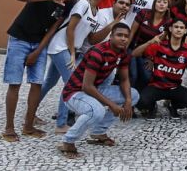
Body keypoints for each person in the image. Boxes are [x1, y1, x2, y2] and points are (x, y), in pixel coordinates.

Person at [1, 0, 75, 142]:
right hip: (19, 37)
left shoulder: (69, 3)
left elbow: (53, 28)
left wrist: (38, 51)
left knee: (36, 83)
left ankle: (28, 125)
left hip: (39, 42)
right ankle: (9, 128)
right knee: (14, 83)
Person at [57, 23, 138, 159]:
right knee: (97, 111)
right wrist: (112, 105)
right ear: (111, 36)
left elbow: (124, 79)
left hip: (96, 88)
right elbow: (86, 86)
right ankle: (68, 141)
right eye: (119, 35)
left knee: (134, 95)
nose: (123, 39)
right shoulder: (98, 52)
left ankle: (98, 132)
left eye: (126, 36)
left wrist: (128, 101)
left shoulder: (123, 53)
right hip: (74, 93)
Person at [40, 0, 108, 134]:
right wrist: (71, 53)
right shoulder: (83, 4)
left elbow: (88, 38)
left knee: (49, 82)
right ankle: (61, 123)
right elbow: (71, 29)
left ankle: (31, 113)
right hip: (61, 46)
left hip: (72, 49)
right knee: (71, 83)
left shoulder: (97, 13)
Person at [134, 19, 187, 118]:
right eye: (176, 27)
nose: (179, 30)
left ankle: (172, 106)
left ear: (185, 31)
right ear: (170, 29)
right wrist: (149, 42)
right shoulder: (159, 46)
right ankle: (152, 107)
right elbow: (135, 54)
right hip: (157, 86)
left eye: (181, 28)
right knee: (140, 101)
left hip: (174, 87)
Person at [128, 0, 171, 91]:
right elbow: (131, 33)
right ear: (154, 4)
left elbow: (161, 44)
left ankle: (141, 97)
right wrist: (124, 51)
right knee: (133, 75)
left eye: (165, 2)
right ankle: (129, 98)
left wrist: (153, 60)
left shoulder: (168, 22)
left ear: (168, 7)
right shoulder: (144, 13)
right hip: (134, 48)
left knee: (147, 76)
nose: (161, 4)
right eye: (159, 1)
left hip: (148, 54)